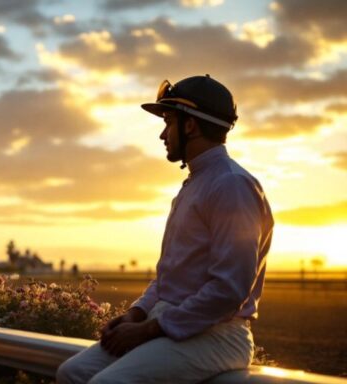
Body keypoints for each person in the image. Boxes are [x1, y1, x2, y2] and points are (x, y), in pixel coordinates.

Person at [57, 75, 274, 384]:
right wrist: (136, 313)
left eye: (169, 121)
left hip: (218, 335)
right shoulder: (196, 184)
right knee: (71, 372)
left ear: (190, 126)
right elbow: (170, 278)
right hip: (170, 323)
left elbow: (229, 290)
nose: (162, 134)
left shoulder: (230, 185)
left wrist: (148, 329)